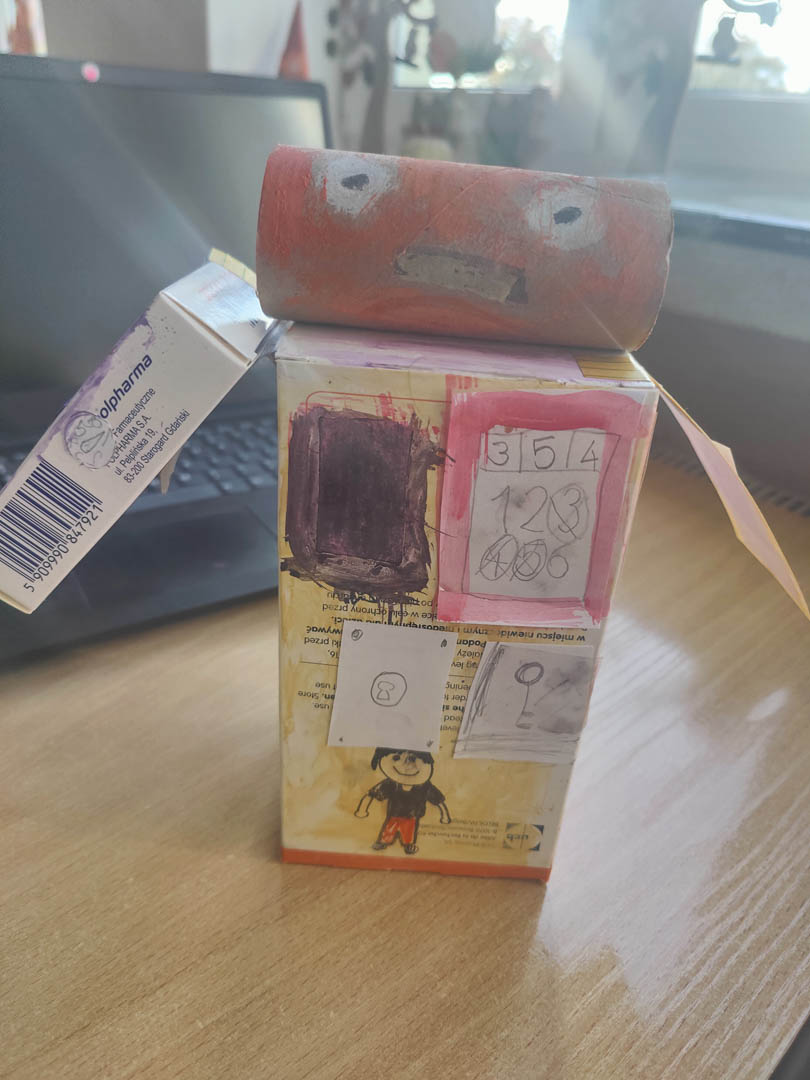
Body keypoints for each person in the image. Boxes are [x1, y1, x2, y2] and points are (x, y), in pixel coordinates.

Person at [354, 747, 451, 855]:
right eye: (396, 758)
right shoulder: (391, 783)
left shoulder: (425, 786)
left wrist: (445, 816)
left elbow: (438, 800)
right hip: (394, 815)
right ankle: (383, 842)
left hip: (412, 817)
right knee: (389, 829)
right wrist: (363, 808)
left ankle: (408, 845)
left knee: (409, 832)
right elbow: (374, 794)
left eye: (413, 759)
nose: (406, 765)